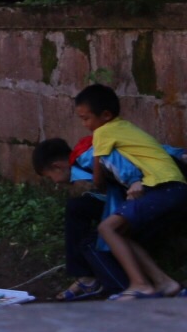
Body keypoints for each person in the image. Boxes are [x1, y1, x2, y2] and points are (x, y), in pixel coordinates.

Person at [73, 84, 187, 299]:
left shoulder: (103, 132)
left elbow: (98, 181)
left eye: (86, 118)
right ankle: (165, 283)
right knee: (122, 233)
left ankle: (140, 284)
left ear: (105, 115)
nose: (84, 124)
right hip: (174, 187)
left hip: (161, 187)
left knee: (107, 228)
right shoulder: (124, 127)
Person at [33, 137, 130, 301]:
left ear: (57, 166)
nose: (55, 183)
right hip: (119, 200)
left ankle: (101, 281)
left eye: (50, 177)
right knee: (77, 207)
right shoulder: (80, 165)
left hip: (135, 200)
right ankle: (85, 277)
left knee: (87, 233)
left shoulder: (85, 162)